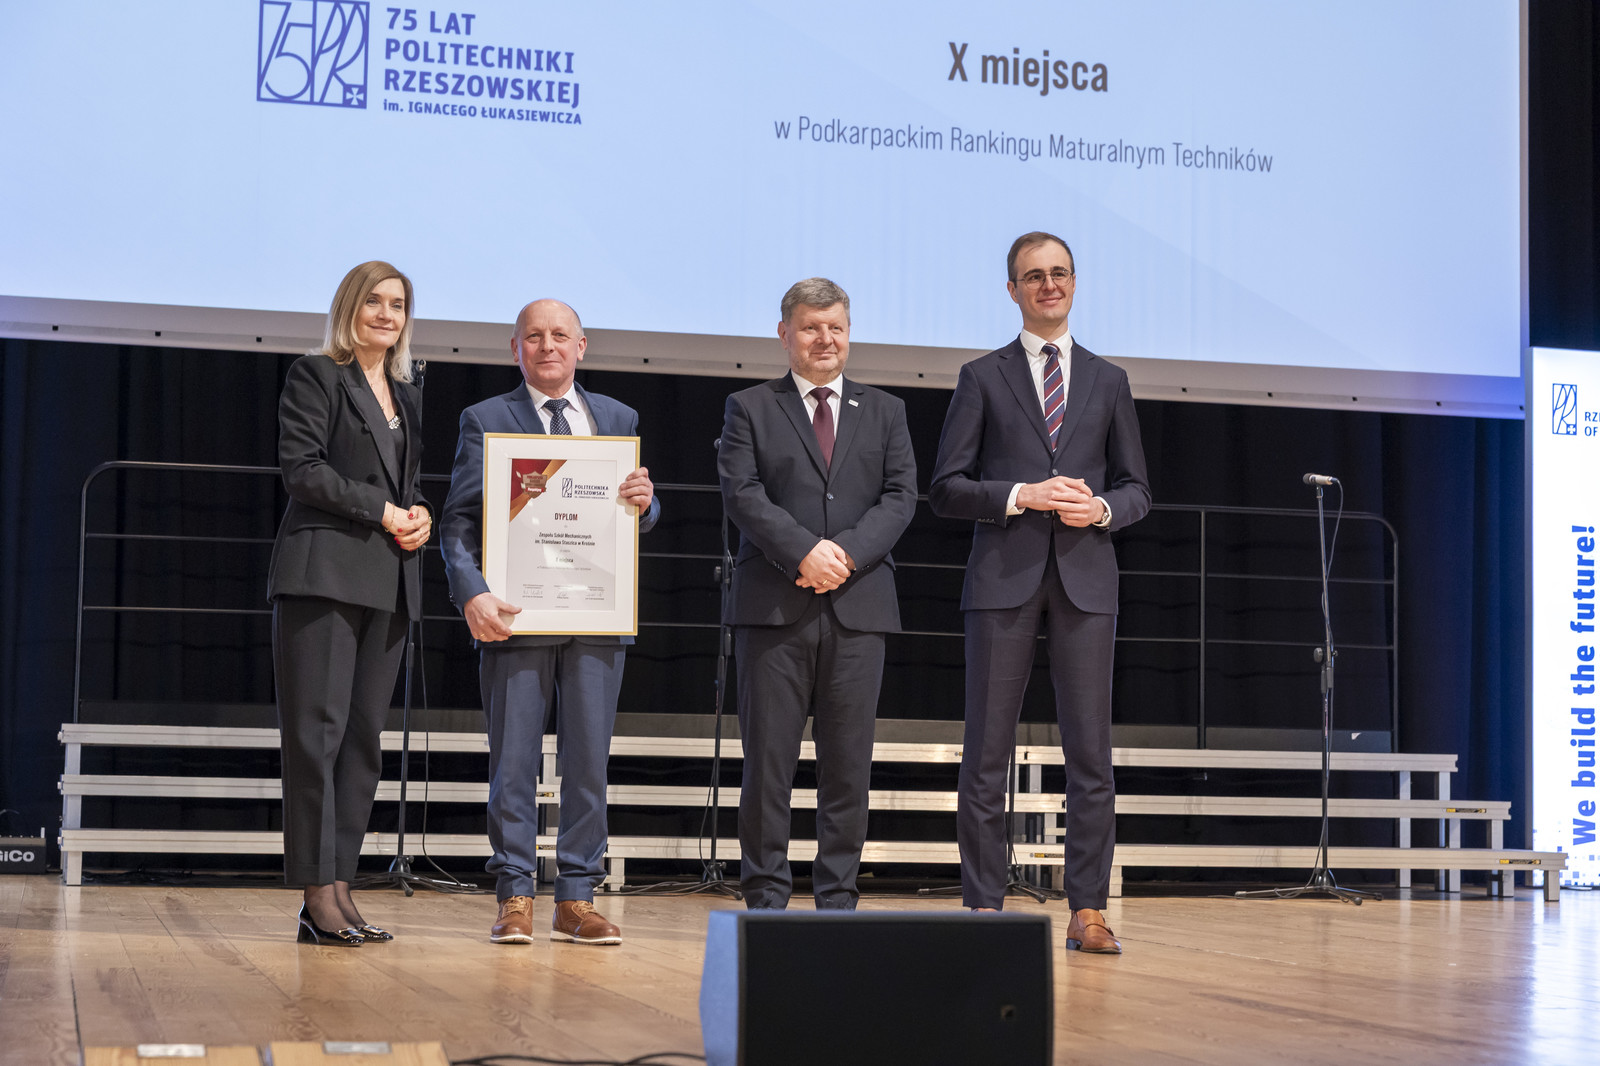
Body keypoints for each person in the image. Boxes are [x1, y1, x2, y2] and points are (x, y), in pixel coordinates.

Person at [929, 232, 1150, 954]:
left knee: (1091, 755)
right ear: (1013, 290)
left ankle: (1088, 909)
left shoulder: (1109, 380)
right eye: (1033, 276)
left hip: (1087, 580)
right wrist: (1020, 494)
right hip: (1003, 579)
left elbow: (1138, 489)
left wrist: (1104, 509)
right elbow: (946, 488)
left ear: (1074, 283)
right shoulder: (981, 377)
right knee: (986, 753)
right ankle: (984, 904)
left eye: (1059, 273)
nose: (1048, 285)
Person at [440, 298, 658, 946]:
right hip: (516, 615)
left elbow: (634, 513)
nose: (548, 346)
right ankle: (515, 894)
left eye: (560, 335)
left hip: (596, 614)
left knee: (588, 764)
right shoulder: (485, 418)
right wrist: (473, 594)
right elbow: (459, 520)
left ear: (581, 346)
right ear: (516, 349)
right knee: (514, 763)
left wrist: (647, 505)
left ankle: (577, 898)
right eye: (533, 336)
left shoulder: (617, 418)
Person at [717, 277, 918, 910]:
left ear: (849, 333)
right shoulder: (749, 407)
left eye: (836, 327)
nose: (825, 339)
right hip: (774, 609)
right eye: (811, 327)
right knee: (768, 767)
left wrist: (846, 555)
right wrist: (804, 551)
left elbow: (900, 497)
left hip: (859, 611)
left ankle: (838, 902)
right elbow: (742, 492)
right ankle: (765, 900)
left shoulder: (886, 410)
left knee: (848, 770)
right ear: (785, 334)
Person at [268, 260, 432, 946]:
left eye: (398, 304)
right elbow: (303, 470)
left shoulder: (406, 393)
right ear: (350, 309)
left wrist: (418, 514)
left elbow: (406, 484)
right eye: (374, 302)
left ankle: (340, 887)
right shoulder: (317, 375)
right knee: (319, 737)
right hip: (324, 575)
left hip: (388, 583)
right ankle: (315, 894)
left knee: (362, 744)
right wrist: (386, 511)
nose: (386, 314)